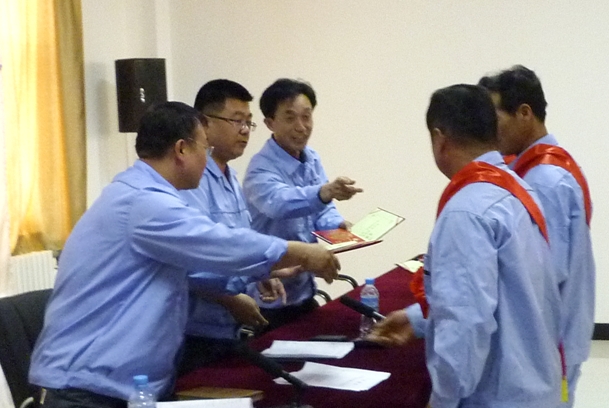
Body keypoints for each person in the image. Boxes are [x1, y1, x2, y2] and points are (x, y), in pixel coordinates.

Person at [28, 102, 340, 408]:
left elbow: (196, 266)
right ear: (181, 149)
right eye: (204, 148)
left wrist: (264, 270)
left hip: (125, 386)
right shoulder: (144, 202)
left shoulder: (147, 195)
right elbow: (218, 243)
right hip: (86, 391)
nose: (207, 158)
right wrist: (299, 252)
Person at [368, 84, 561, 407]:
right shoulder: (518, 189)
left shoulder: (466, 211)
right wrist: (418, 320)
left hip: (498, 396)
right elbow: (508, 295)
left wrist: (442, 399)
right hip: (536, 386)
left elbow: (466, 323)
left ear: (439, 138)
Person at [479, 65, 595, 407]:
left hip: (546, 343)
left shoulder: (544, 179)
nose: (488, 129)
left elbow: (543, 273)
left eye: (495, 117)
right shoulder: (546, 168)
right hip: (554, 336)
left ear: (524, 113)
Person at [177, 79, 286, 374]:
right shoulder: (192, 182)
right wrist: (231, 299)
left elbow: (238, 245)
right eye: (237, 121)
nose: (244, 130)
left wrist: (261, 274)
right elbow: (191, 263)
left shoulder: (230, 178)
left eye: (249, 122)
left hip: (231, 329)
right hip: (196, 334)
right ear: (204, 123)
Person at [242, 78, 362, 331]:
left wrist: (338, 226)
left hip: (304, 291)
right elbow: (281, 204)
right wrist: (325, 191)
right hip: (268, 299)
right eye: (290, 118)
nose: (301, 127)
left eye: (306, 117)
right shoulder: (259, 169)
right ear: (270, 123)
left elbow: (322, 209)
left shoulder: (311, 158)